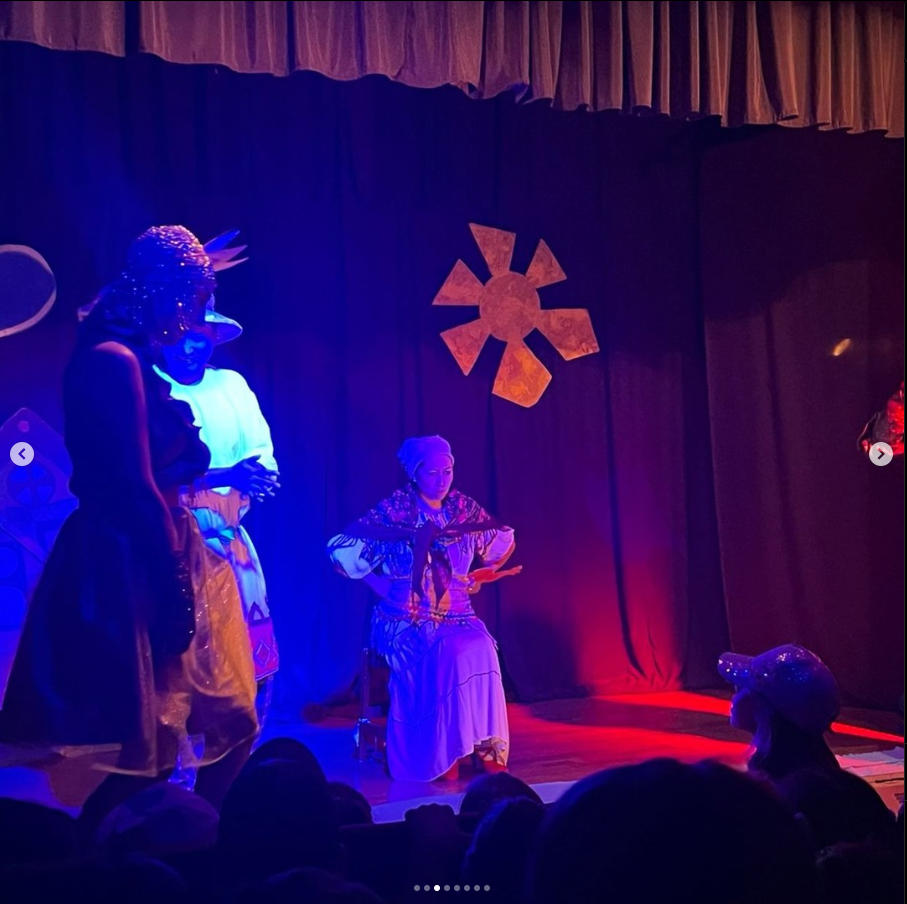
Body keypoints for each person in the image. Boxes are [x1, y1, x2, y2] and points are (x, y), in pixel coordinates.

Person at [0, 226, 258, 820]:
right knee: (150, 743)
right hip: (130, 555)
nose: (194, 316)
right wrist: (172, 578)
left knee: (220, 722)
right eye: (191, 299)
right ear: (162, 293)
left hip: (161, 543)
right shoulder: (111, 361)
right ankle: (115, 851)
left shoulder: (128, 355)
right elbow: (137, 485)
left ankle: (195, 839)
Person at [327, 436, 519, 782]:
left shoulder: (462, 508)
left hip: (458, 613)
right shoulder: (396, 511)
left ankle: (481, 744)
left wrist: (476, 578)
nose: (442, 480)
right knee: (447, 651)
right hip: (405, 616)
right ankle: (438, 752)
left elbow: (495, 545)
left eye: (448, 471)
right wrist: (383, 587)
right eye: (433, 472)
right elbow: (344, 552)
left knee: (483, 649)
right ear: (415, 473)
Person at [153, 251, 280, 727]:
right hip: (172, 545)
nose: (191, 347)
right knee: (183, 658)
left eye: (200, 336)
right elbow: (155, 473)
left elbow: (261, 458)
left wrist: (254, 478)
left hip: (229, 543)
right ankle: (180, 757)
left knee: (246, 655)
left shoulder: (231, 386)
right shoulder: (153, 390)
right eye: (181, 335)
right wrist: (223, 477)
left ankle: (242, 747)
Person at [718, 643, 841, 782]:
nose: (734, 696)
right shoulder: (819, 767)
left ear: (766, 706)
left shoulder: (775, 783)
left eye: (741, 687)